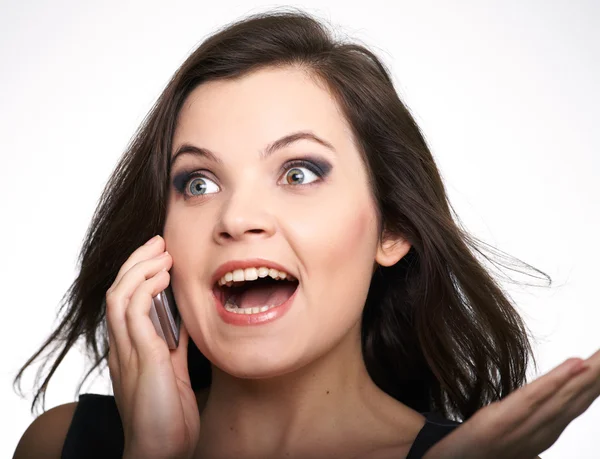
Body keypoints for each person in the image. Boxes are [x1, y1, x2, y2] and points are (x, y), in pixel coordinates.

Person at [12, 8, 599, 459]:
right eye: (198, 183)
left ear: (391, 229)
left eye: (298, 172)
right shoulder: (61, 445)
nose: (237, 217)